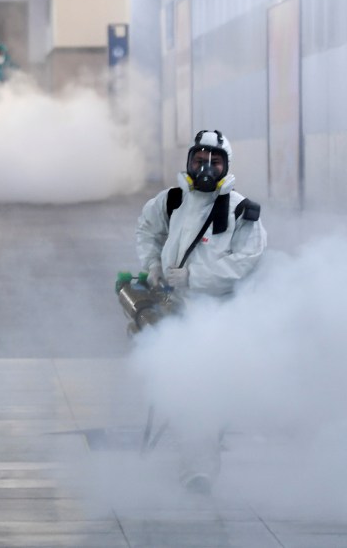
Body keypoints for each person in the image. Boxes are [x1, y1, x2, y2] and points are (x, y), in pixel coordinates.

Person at [135, 129, 266, 494]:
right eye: (199, 159)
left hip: (217, 317)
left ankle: (199, 467)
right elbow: (147, 230)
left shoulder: (241, 211)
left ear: (226, 166)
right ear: (189, 161)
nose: (205, 168)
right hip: (172, 310)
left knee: (203, 386)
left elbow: (248, 261)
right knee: (180, 384)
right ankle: (193, 461)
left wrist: (194, 278)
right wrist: (153, 267)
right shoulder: (171, 201)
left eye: (215, 161)